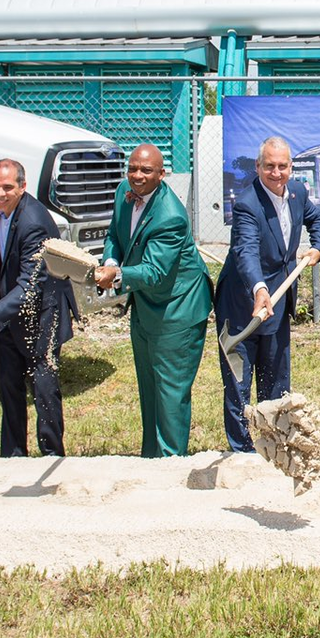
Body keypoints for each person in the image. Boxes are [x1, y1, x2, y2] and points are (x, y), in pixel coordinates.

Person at [94, 144, 212, 458]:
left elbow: (156, 271)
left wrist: (115, 275)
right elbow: (115, 236)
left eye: (146, 170)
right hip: (146, 303)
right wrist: (110, 259)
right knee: (149, 387)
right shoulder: (123, 192)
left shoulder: (171, 216)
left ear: (162, 174)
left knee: (170, 392)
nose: (137, 175)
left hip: (178, 307)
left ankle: (172, 461)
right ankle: (151, 460)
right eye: (133, 168)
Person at [216, 137, 320, 452]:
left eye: (282, 166)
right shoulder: (248, 203)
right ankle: (242, 449)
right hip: (242, 302)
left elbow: (315, 220)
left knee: (276, 374)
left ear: (291, 167)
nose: (276, 173)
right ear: (258, 167)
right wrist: (259, 288)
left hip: (279, 297)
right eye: (269, 166)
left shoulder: (298, 193)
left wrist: (317, 246)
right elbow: (245, 251)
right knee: (240, 379)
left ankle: (274, 442)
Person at [0, 159, 75, 457]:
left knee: (43, 384)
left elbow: (31, 285)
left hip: (42, 311)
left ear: (23, 187)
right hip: (11, 307)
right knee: (9, 384)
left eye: (7, 188)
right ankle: (13, 453)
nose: (0, 194)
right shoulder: (2, 207)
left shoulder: (32, 222)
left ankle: (52, 452)